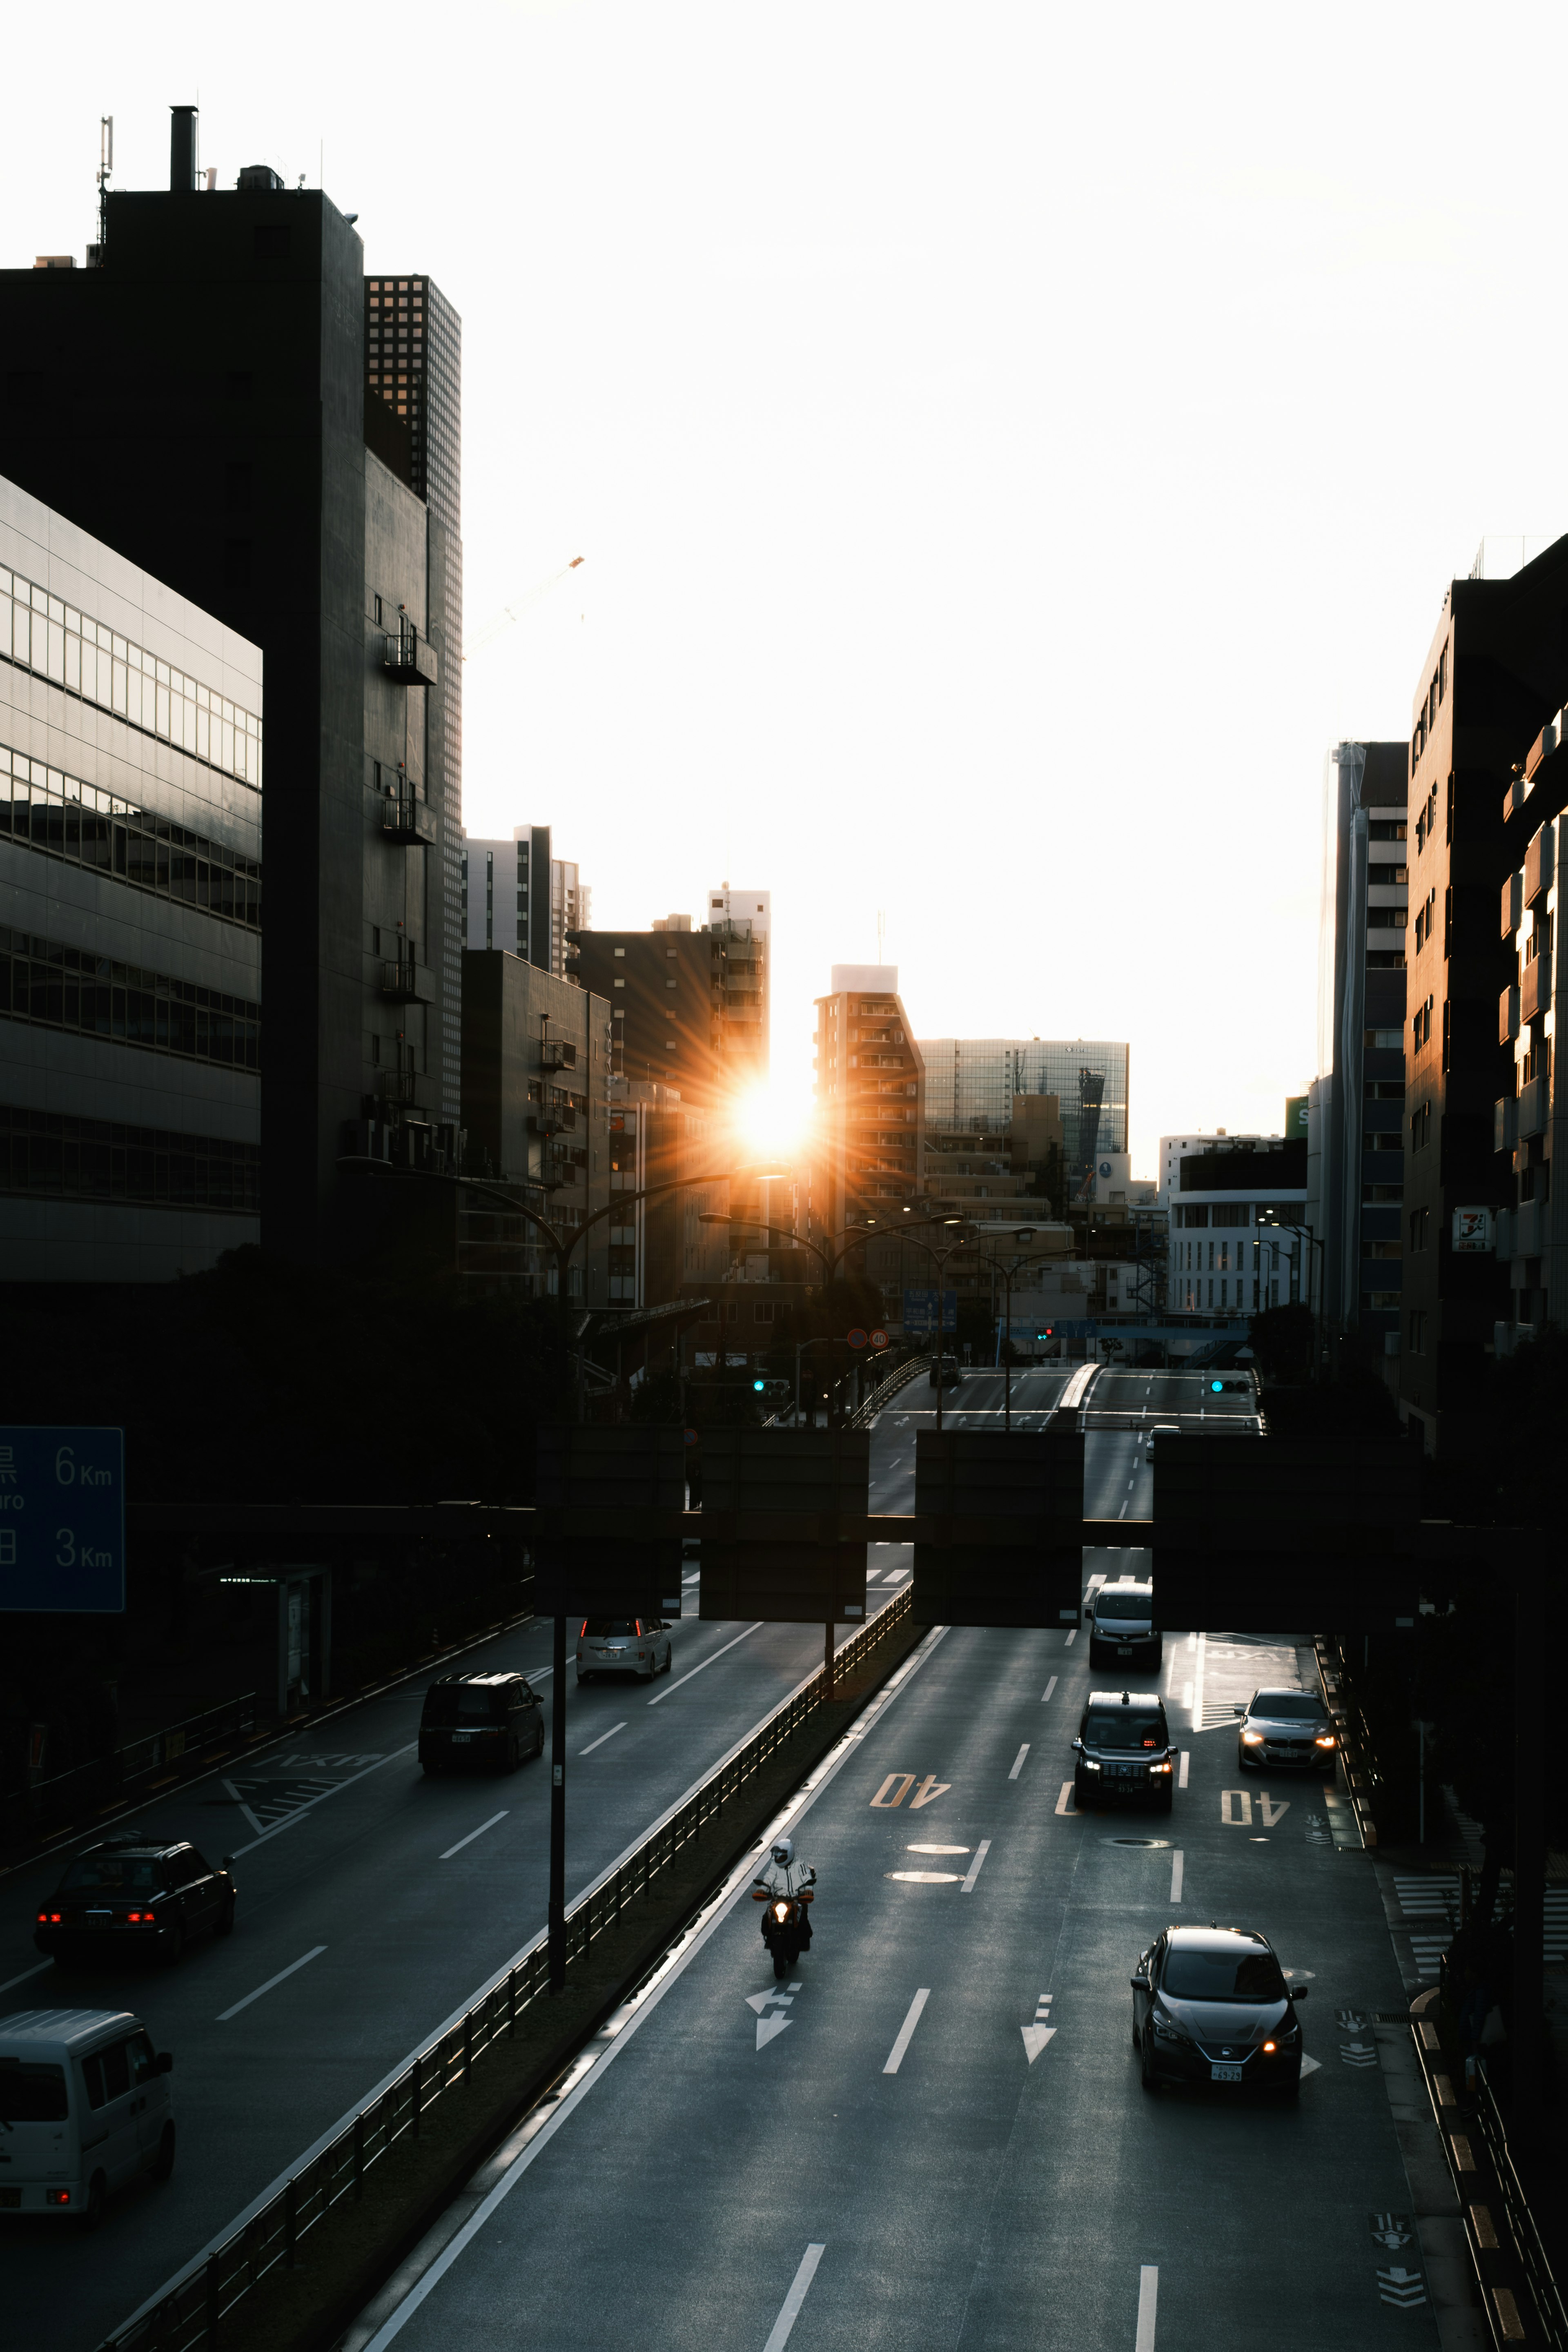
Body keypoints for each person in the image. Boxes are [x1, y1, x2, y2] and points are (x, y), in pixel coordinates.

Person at [752, 1835, 816, 1946]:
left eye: (782, 1856)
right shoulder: (774, 1867)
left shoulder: (800, 1865)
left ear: (789, 1855)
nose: (779, 1858)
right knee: (766, 1917)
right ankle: (769, 1935)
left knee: (803, 1920)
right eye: (777, 1856)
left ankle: (804, 1939)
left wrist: (808, 1890)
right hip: (778, 1898)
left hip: (796, 1898)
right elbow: (768, 1878)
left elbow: (807, 1878)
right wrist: (762, 1889)